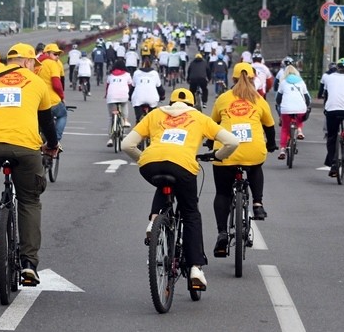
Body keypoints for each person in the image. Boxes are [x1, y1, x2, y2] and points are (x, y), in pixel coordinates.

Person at [121, 87, 240, 290]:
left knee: (164, 183)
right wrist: (217, 156)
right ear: (192, 105)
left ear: (170, 101)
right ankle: (195, 268)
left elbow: (126, 144)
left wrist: (144, 160)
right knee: (191, 213)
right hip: (183, 165)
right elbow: (232, 141)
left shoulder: (155, 114)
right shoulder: (199, 118)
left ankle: (153, 221)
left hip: (151, 163)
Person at [0, 43, 59, 286]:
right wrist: (52, 145)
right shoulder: (37, 83)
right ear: (28, 62)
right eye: (33, 64)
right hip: (26, 148)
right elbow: (47, 122)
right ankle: (29, 264)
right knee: (29, 200)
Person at [209, 63, 277, 255]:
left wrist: (209, 143)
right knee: (255, 166)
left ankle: (222, 233)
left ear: (233, 79)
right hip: (253, 149)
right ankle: (258, 204)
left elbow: (212, 124)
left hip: (226, 151)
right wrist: (270, 145)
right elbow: (270, 127)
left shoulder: (223, 98)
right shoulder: (259, 99)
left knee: (222, 193)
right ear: (254, 78)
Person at [275, 64, 311, 159]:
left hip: (286, 109)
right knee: (299, 114)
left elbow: (278, 98)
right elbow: (307, 98)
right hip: (300, 108)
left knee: (285, 129)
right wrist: (307, 105)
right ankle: (299, 130)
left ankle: (282, 150)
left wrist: (279, 104)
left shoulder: (283, 83)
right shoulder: (301, 82)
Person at [36, 43, 68, 143]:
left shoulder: (36, 65)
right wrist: (62, 97)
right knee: (63, 114)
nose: (57, 57)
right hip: (52, 101)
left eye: (58, 54)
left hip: (38, 101)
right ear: (47, 53)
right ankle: (55, 140)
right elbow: (57, 84)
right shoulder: (52, 64)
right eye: (55, 54)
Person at [105, 59, 134, 147]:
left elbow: (107, 87)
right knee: (124, 105)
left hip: (111, 97)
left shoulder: (110, 75)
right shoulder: (127, 75)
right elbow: (130, 86)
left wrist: (106, 95)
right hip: (123, 96)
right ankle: (125, 120)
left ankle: (110, 138)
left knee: (111, 117)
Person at [131, 56, 164, 122]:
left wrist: (129, 96)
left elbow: (132, 87)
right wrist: (162, 96)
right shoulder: (155, 73)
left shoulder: (136, 73)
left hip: (138, 98)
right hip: (152, 98)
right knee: (152, 117)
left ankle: (139, 121)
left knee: (139, 118)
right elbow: (160, 88)